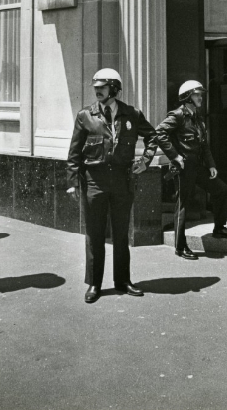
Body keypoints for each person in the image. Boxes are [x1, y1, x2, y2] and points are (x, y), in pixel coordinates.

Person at [66, 68, 158, 303]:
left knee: (121, 233)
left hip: (121, 181)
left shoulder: (132, 114)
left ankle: (123, 281)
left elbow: (153, 137)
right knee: (95, 234)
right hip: (94, 182)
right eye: (96, 87)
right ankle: (95, 284)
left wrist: (145, 162)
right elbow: (74, 152)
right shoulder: (85, 116)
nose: (97, 90)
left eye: (103, 87)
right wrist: (73, 182)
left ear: (114, 89)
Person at [156, 80, 227, 261]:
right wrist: (175, 156)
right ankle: (180, 246)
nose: (200, 97)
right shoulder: (178, 115)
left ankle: (219, 228)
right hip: (183, 168)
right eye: (196, 95)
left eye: (200, 94)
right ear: (187, 97)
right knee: (183, 205)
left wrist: (211, 165)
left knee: (221, 189)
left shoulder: (198, 118)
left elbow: (204, 145)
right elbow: (159, 134)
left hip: (198, 167)